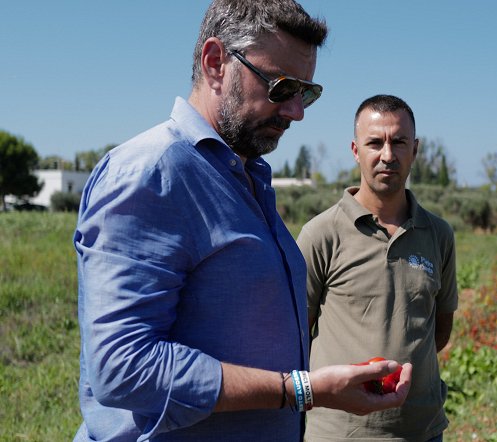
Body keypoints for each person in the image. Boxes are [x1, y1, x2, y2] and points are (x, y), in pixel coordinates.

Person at [73, 3, 411, 441]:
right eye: (282, 87)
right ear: (215, 63)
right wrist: (299, 390)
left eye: (306, 92)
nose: (296, 112)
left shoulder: (246, 177)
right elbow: (123, 367)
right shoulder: (152, 173)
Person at [297, 94, 458, 442]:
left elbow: (439, 330)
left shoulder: (439, 234)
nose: (388, 155)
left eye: (399, 142)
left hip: (421, 430)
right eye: (375, 142)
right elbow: (295, 334)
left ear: (414, 149)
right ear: (356, 150)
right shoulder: (321, 234)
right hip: (339, 432)